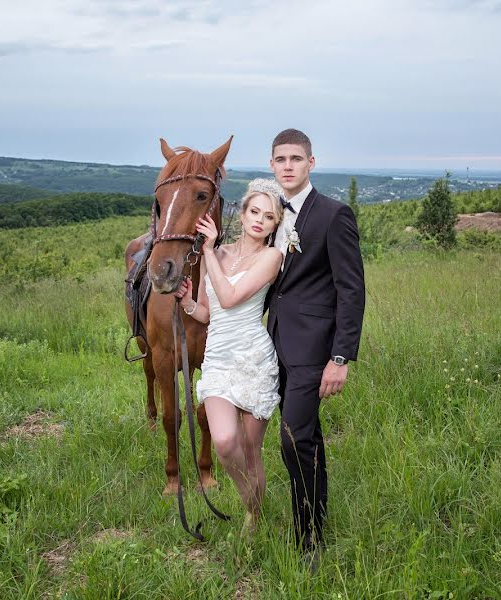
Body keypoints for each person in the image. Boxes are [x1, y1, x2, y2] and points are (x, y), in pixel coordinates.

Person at [266, 128, 365, 569]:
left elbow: (351, 290)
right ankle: (316, 517)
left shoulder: (333, 215)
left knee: (292, 440)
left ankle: (308, 542)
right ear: (272, 165)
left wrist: (340, 357)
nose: (288, 166)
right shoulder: (268, 214)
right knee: (306, 438)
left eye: (296, 158)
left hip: (314, 351)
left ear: (311, 162)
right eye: (280, 159)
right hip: (275, 346)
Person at [174, 179, 285, 534]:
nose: (259, 220)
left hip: (253, 359)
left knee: (251, 450)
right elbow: (209, 312)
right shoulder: (219, 255)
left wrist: (207, 250)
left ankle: (254, 516)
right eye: (254, 211)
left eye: (268, 217)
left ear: (275, 225)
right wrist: (189, 302)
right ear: (243, 213)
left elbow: (232, 298)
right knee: (224, 441)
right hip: (219, 361)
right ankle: (250, 500)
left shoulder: (272, 257)